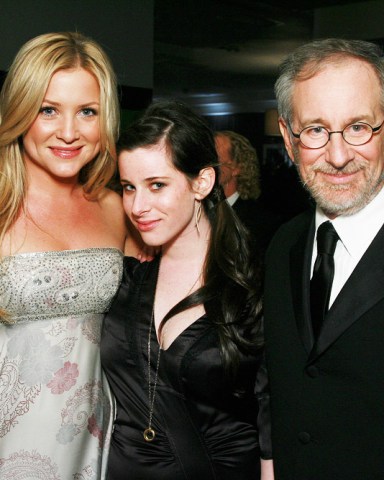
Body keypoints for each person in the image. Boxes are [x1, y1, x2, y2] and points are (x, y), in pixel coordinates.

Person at [101, 101, 274, 479]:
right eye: (129, 188)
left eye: (157, 185)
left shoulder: (251, 286)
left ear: (202, 182)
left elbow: (271, 407)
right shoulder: (127, 279)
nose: (138, 206)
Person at [0, 32, 134, 478]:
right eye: (49, 110)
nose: (70, 133)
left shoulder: (118, 208)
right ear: (21, 112)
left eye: (87, 112)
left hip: (91, 439)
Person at [264, 38, 384, 479]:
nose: (337, 156)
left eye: (358, 127)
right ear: (288, 140)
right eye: (315, 129)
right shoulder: (283, 245)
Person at [215, 131, 282, 254]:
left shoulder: (260, 223)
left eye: (215, 158)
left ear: (236, 168)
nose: (206, 164)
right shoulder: (196, 212)